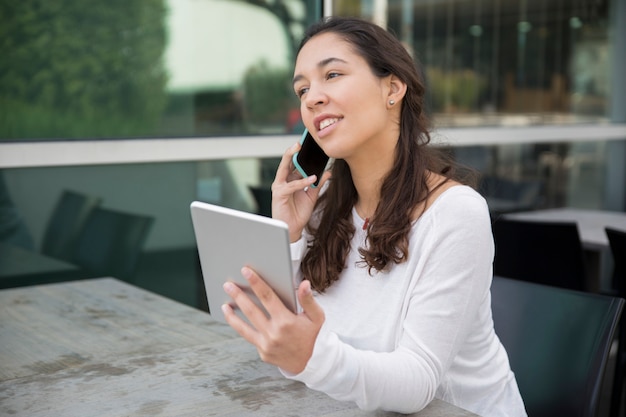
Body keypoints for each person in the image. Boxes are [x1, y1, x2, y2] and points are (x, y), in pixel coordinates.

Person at [221, 16, 527, 416]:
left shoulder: (456, 214)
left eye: (332, 74)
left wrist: (311, 356)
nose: (312, 97)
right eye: (303, 88)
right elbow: (287, 349)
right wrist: (289, 235)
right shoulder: (324, 201)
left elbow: (416, 384)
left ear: (393, 87)